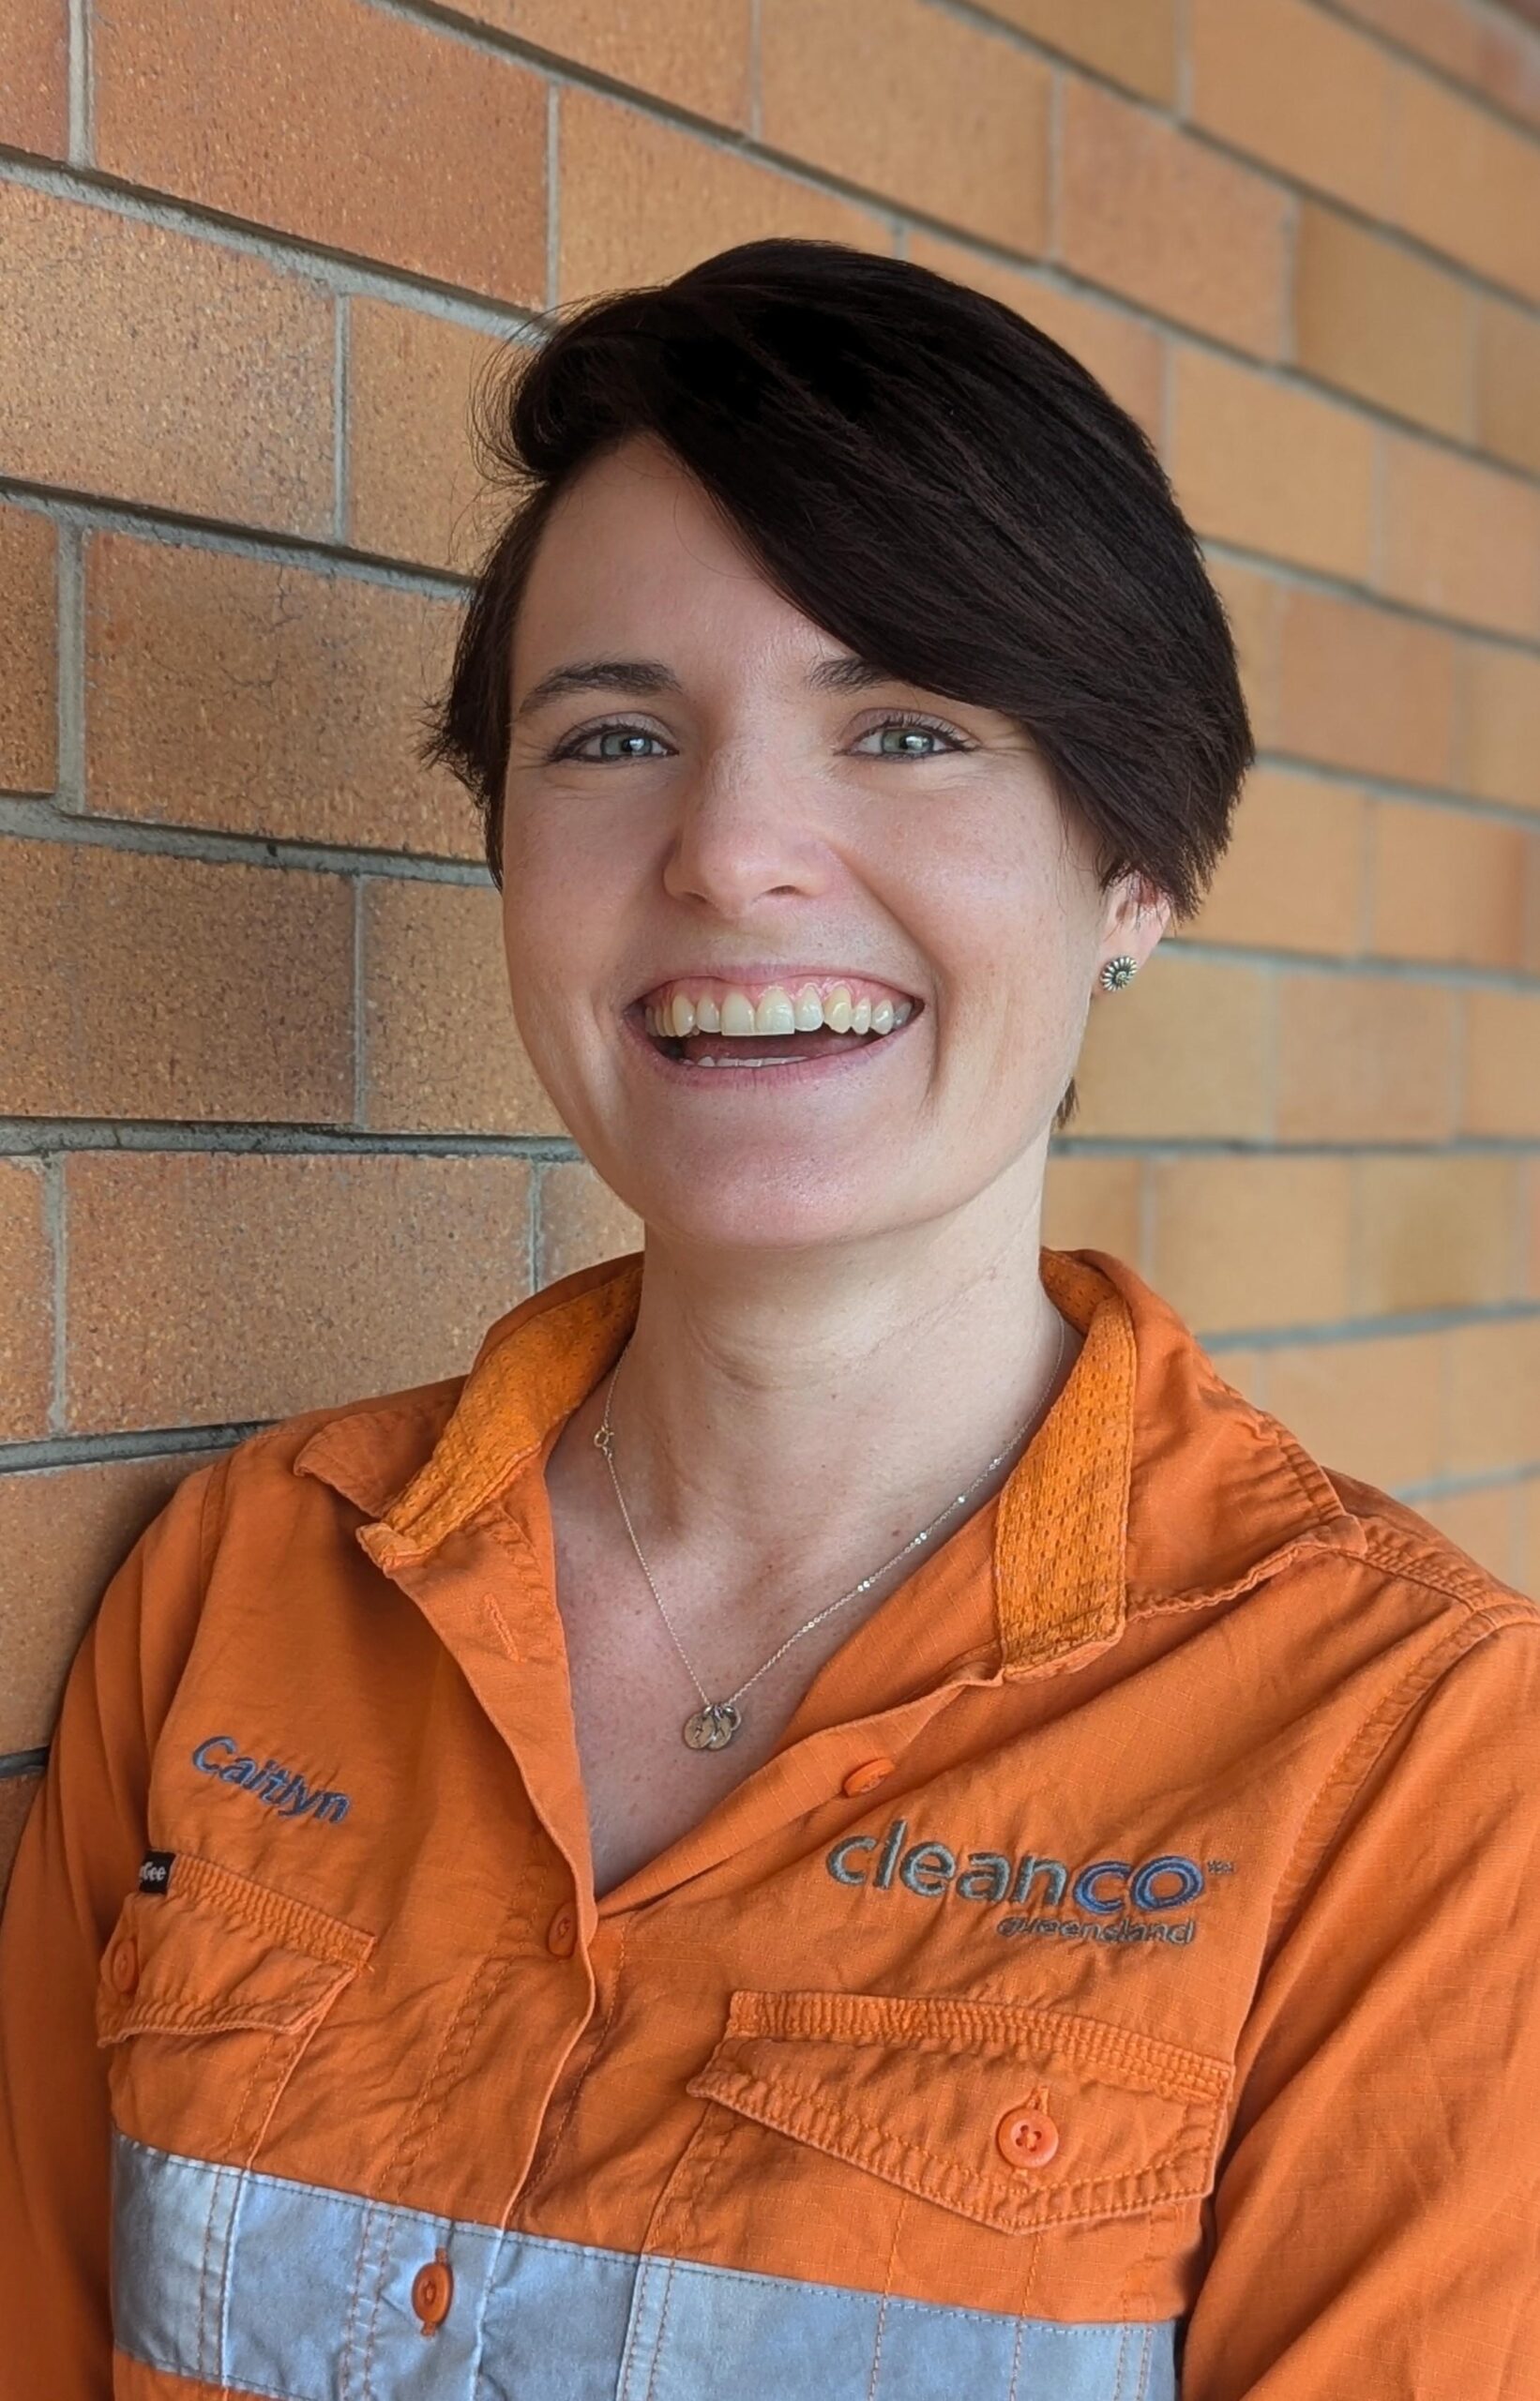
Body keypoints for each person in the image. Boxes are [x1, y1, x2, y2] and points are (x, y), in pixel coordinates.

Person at [0, 236, 1534, 2401]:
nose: (728, 852)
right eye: (611, 733)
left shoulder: (1406, 1762)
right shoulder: (246, 1581)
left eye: (901, 727)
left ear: (1133, 874)